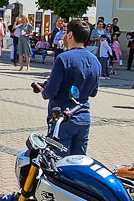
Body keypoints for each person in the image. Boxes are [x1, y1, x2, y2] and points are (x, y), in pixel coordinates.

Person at [37, 18, 101, 154]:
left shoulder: (63, 58)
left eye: (65, 33)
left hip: (62, 119)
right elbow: (93, 92)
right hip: (83, 118)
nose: (64, 36)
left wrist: (44, 88)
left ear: (70, 35)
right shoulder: (95, 60)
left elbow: (50, 92)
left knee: (57, 161)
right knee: (78, 161)